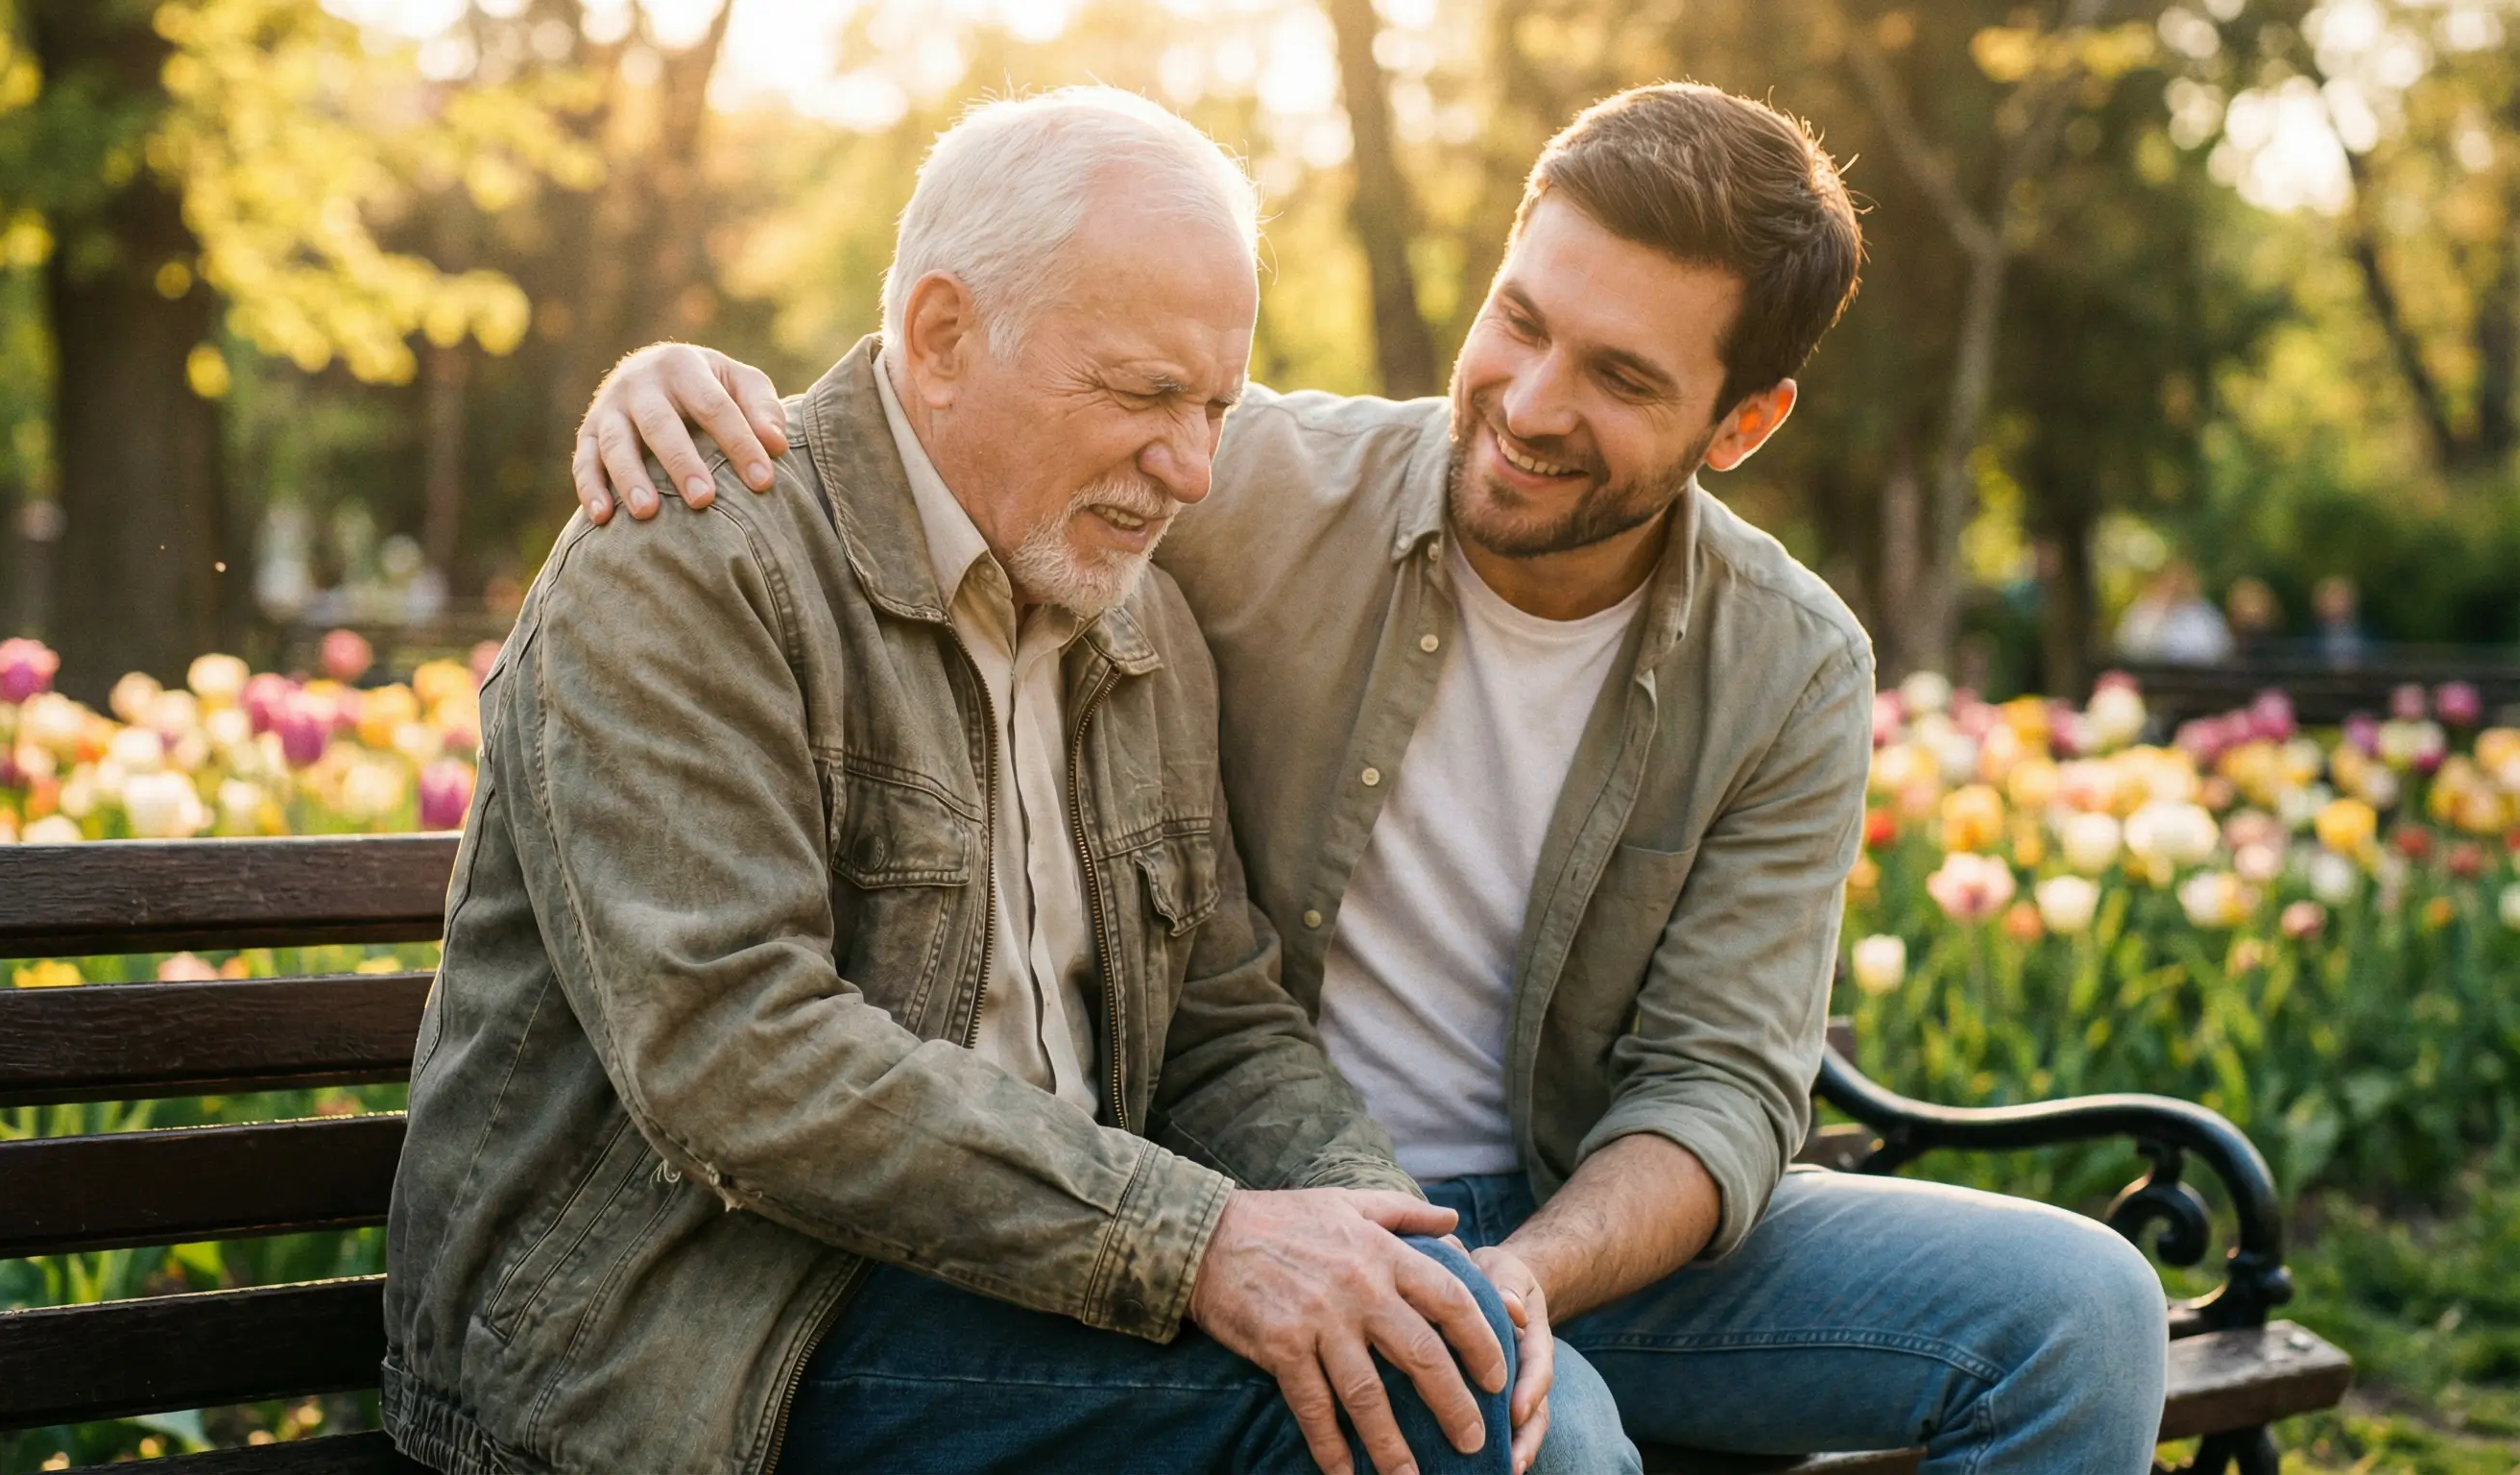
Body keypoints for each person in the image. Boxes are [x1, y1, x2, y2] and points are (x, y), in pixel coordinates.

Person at [572, 83, 2172, 1472]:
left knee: (2082, 1312)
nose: (1530, 408)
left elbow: (1722, 1087)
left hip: (1576, 1225)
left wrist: (1512, 1279)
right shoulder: (1241, 484)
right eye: (1520, 323)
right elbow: (974, 393)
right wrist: (680, 379)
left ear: (1742, 422)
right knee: (1503, 1423)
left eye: (1621, 378)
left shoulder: (1791, 663)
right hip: (1234, 1204)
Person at [386, 90, 1646, 1475]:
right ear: (941, 337)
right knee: (1442, 1425)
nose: (1192, 469)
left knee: (1461, 1362)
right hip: (704, 1343)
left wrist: (1382, 1242)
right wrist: (1201, 1244)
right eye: (1145, 393)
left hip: (1038, 1285)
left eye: (1216, 406)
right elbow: (734, 1052)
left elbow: (1221, 1029)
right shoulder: (691, 560)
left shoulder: (1140, 622)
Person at [2113, 561, 2233, 665]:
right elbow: (2131, 648)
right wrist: (2160, 610)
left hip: (2198, 679)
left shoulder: (2205, 614)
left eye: (2181, 581)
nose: (2176, 587)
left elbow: (2219, 649)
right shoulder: (2142, 610)